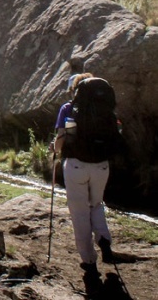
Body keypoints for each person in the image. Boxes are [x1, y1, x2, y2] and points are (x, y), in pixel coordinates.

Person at [52, 73, 118, 285]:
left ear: (75, 89)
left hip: (76, 165)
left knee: (80, 213)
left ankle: (89, 261)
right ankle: (104, 239)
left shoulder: (69, 108)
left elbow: (63, 138)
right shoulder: (105, 108)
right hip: (102, 165)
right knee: (96, 204)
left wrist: (54, 150)